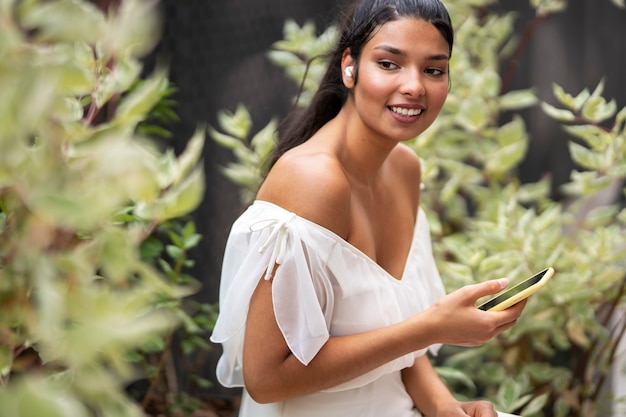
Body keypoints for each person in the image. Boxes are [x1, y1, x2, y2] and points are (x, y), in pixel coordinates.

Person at [210, 0, 527, 416]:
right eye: (390, 64)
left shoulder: (403, 168)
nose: (415, 86)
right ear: (350, 67)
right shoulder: (314, 181)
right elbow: (265, 379)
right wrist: (432, 327)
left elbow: (399, 344)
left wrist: (444, 407)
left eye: (434, 69)